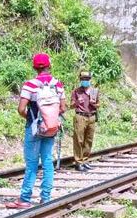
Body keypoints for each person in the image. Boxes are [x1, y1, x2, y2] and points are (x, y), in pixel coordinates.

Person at [6, 53, 66, 209]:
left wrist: (33, 120)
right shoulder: (57, 84)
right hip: (51, 128)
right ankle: (45, 198)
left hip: (33, 129)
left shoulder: (30, 85)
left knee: (32, 164)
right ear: (49, 66)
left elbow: (21, 109)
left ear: (34, 67)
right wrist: (49, 119)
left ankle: (25, 199)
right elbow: (63, 108)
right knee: (47, 161)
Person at [71, 71, 99, 172]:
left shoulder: (94, 91)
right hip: (80, 116)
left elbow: (99, 104)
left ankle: (85, 160)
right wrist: (77, 102)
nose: (85, 81)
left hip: (91, 116)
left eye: (87, 79)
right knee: (78, 140)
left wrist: (94, 104)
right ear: (80, 80)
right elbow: (71, 105)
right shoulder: (76, 91)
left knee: (89, 140)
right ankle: (78, 162)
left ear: (89, 80)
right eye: (83, 79)